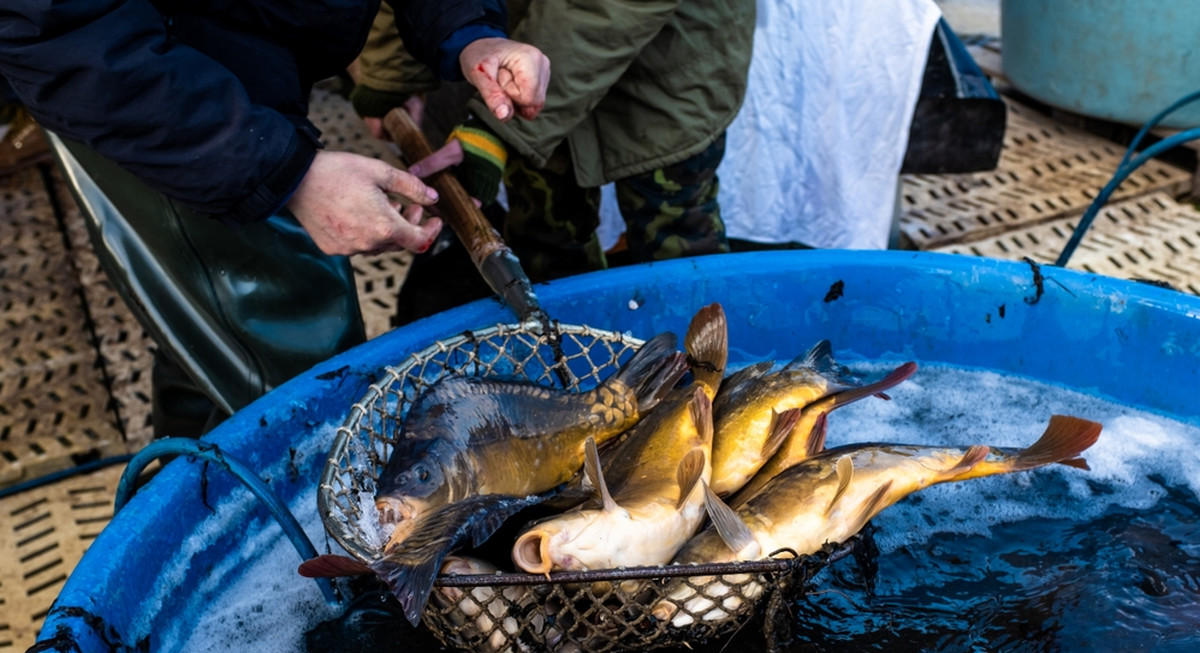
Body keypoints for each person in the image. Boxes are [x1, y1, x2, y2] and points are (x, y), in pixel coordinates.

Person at [0, 1, 550, 437]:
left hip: (258, 58)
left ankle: (188, 528)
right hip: (149, 94)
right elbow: (54, 28)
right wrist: (288, 172)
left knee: (207, 332)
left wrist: (471, 30)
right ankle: (311, 557)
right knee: (304, 360)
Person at [349, 0, 754, 315]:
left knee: (679, 248)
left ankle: (706, 390)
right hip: (520, 52)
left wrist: (498, 124)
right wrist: (392, 74)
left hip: (667, 67)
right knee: (544, 246)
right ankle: (572, 381)